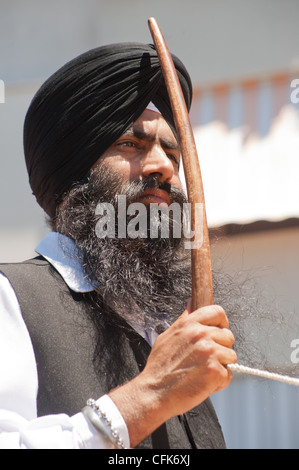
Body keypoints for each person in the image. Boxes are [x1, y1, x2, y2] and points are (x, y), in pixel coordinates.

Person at [0, 42, 237, 449]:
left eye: (172, 152)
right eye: (131, 144)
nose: (163, 165)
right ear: (74, 172)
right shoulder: (12, 298)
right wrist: (149, 395)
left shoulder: (166, 329)